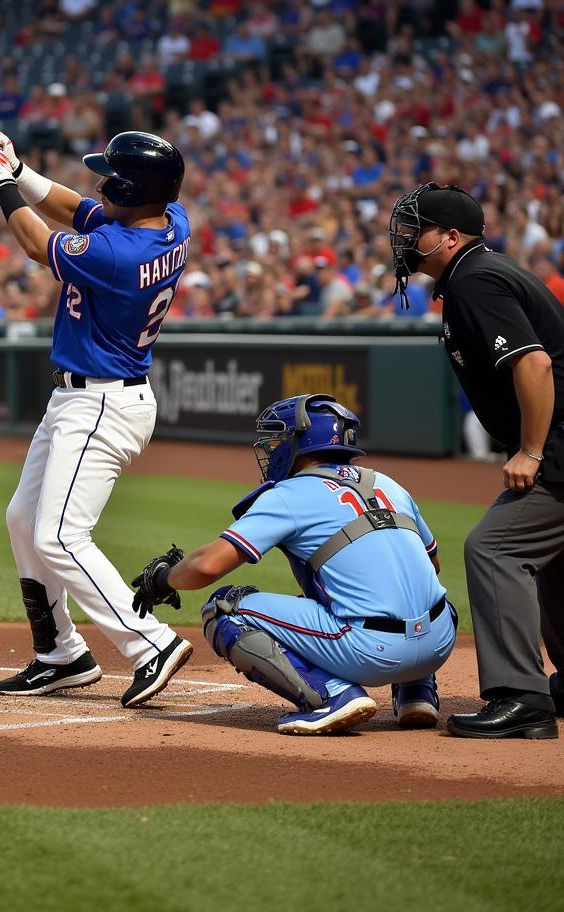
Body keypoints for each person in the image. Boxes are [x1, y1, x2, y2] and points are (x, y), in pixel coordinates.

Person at [0, 128, 194, 707]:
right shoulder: (169, 222)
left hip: (101, 402)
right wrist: (19, 171)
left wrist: (2, 187)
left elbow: (35, 240)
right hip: (85, 398)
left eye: (110, 177)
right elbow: (78, 208)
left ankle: (151, 643)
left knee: (60, 536)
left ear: (133, 189)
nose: (100, 183)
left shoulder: (118, 253)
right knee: (24, 520)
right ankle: (62, 654)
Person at [131, 393, 457, 735]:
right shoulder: (389, 484)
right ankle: (415, 691)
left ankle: (331, 696)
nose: (272, 449)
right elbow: (432, 564)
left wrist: (165, 578)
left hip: (372, 652)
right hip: (439, 641)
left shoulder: (288, 494)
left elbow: (208, 566)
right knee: (416, 593)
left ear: (301, 441)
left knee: (224, 610)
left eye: (279, 439)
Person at [390, 182, 564, 739]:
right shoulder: (478, 272)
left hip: (559, 440)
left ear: (450, 237)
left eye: (416, 229)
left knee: (494, 548)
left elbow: (533, 365)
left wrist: (531, 450)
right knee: (548, 557)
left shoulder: (474, 279)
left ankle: (521, 698)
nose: (406, 238)